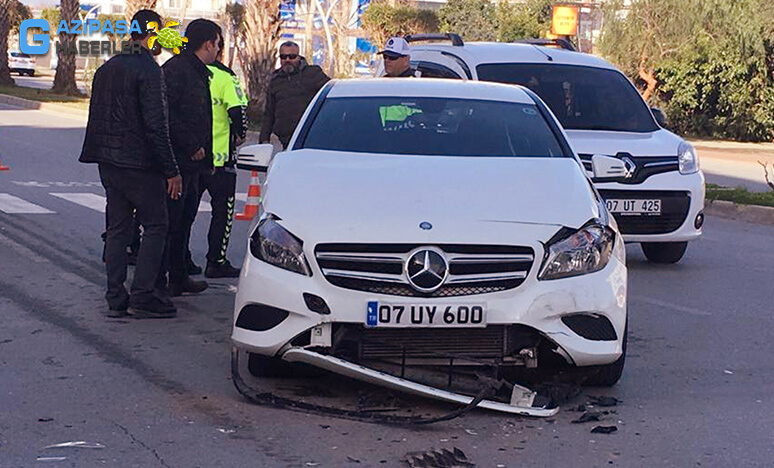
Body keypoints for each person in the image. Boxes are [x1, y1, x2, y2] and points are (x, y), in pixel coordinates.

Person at [79, 9, 181, 319]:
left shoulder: (108, 67)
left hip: (108, 162)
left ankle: (115, 296)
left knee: (118, 229)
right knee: (156, 224)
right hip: (139, 165)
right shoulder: (148, 70)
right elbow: (156, 125)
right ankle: (143, 294)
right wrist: (171, 169)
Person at [160, 18, 221, 297]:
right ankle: (161, 280)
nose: (219, 50)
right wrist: (191, 145)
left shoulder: (199, 71)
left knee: (184, 221)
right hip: (179, 162)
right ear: (208, 43)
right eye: (218, 44)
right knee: (171, 224)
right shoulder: (177, 71)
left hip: (194, 164)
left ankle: (179, 275)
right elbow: (167, 114)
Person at [198, 39, 248, 278]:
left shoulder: (186, 72)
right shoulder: (226, 77)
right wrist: (241, 134)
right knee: (223, 212)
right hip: (220, 159)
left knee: (181, 214)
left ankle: (178, 260)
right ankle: (216, 261)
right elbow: (238, 110)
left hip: (191, 158)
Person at [259, 41, 330, 149]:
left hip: (310, 138)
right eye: (283, 57)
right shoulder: (275, 80)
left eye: (292, 56)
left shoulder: (312, 74)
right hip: (286, 141)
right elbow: (269, 113)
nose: (287, 60)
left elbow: (329, 94)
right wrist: (264, 140)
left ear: (299, 57)